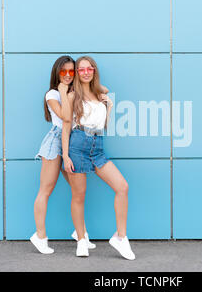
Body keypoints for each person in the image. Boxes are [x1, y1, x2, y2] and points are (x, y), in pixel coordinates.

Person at [62, 56, 135, 260]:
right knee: (79, 195)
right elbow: (66, 127)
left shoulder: (100, 93)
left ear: (94, 70)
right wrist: (66, 155)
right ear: (76, 73)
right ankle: (81, 240)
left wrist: (109, 105)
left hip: (97, 145)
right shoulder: (72, 96)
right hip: (77, 144)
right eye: (81, 69)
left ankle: (121, 238)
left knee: (122, 187)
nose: (85, 72)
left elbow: (104, 125)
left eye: (89, 69)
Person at [30, 55, 98, 254]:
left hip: (72, 141)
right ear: (57, 73)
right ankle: (40, 236)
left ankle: (81, 233)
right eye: (64, 72)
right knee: (46, 189)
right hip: (55, 143)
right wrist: (61, 90)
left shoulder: (73, 92)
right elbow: (65, 117)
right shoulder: (52, 93)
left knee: (78, 191)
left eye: (71, 71)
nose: (68, 75)